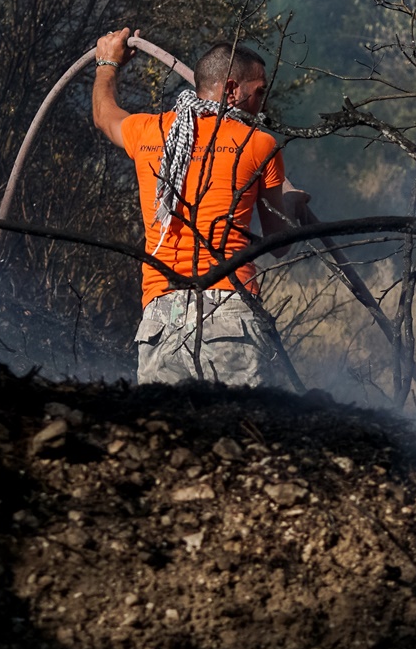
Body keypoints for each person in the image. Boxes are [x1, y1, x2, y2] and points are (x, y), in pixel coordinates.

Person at [91, 28, 308, 387]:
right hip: (231, 312)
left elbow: (104, 115)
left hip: (162, 314)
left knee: (169, 431)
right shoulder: (260, 144)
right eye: (258, 93)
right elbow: (279, 243)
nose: (263, 105)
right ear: (231, 90)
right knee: (238, 432)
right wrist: (292, 203)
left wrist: (107, 63)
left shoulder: (150, 133)